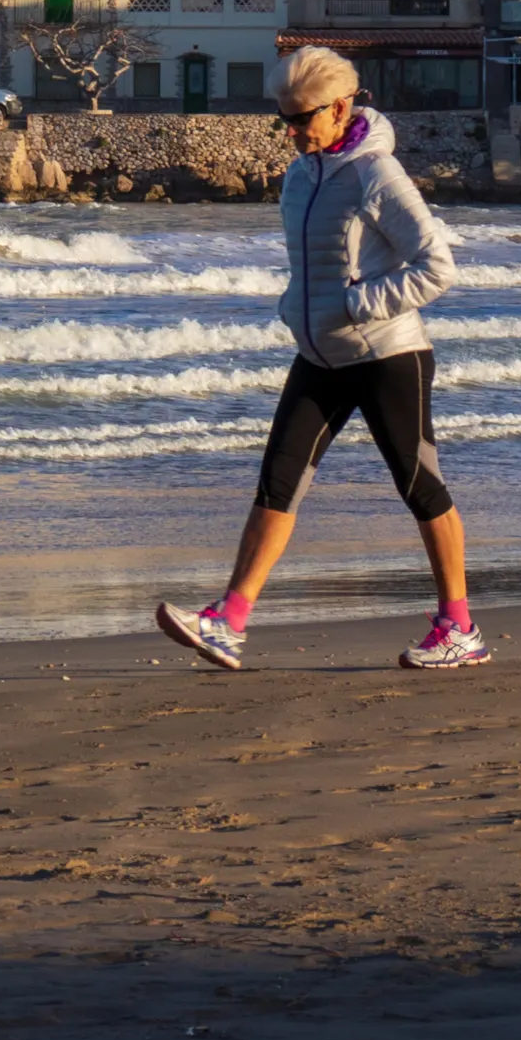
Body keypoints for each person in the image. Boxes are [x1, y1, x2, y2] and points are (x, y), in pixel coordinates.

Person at [159, 46, 483, 673]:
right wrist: (295, 306)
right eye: (284, 117)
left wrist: (359, 305)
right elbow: (309, 264)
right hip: (319, 354)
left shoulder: (376, 174)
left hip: (389, 355)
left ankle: (459, 626)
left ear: (339, 109)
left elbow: (437, 269)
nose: (292, 130)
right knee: (277, 483)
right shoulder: (302, 172)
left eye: (302, 117)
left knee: (418, 486)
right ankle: (229, 620)